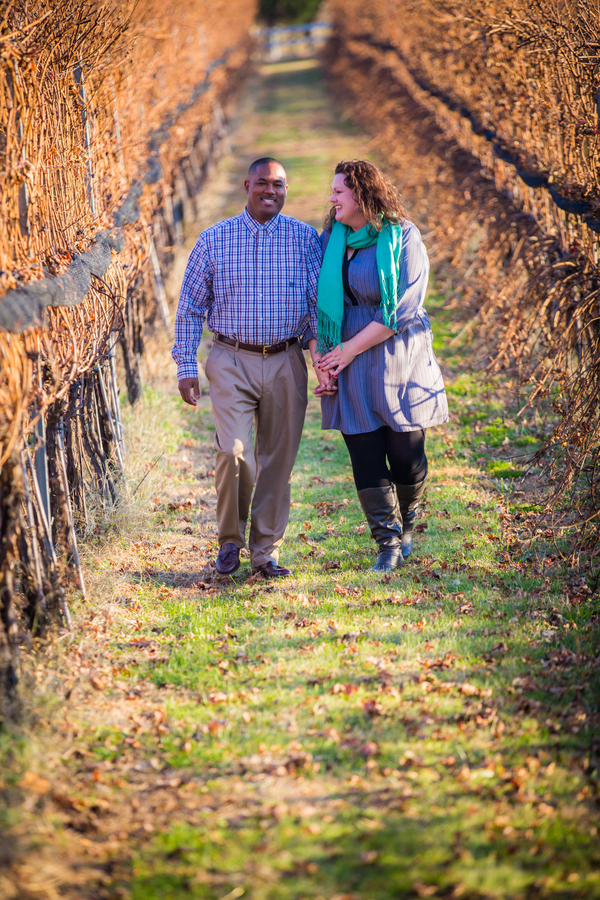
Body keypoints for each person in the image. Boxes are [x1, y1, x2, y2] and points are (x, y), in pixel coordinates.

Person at [172, 157, 327, 578]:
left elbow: (317, 307)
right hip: (231, 358)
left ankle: (265, 553)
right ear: (246, 185)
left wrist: (321, 359)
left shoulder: (305, 239)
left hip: (286, 359)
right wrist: (187, 364)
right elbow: (189, 309)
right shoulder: (214, 239)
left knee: (278, 460)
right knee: (233, 452)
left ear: (286, 190)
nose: (270, 191)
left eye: (278, 184)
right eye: (262, 183)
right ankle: (229, 541)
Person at [314, 159, 448, 573]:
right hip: (346, 353)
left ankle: (407, 516)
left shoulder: (404, 236)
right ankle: (386, 542)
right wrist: (324, 361)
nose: (332, 197)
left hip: (398, 352)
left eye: (339, 191)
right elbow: (321, 304)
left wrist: (351, 349)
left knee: (406, 452)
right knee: (365, 451)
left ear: (362, 194)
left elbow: (404, 308)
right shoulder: (331, 239)